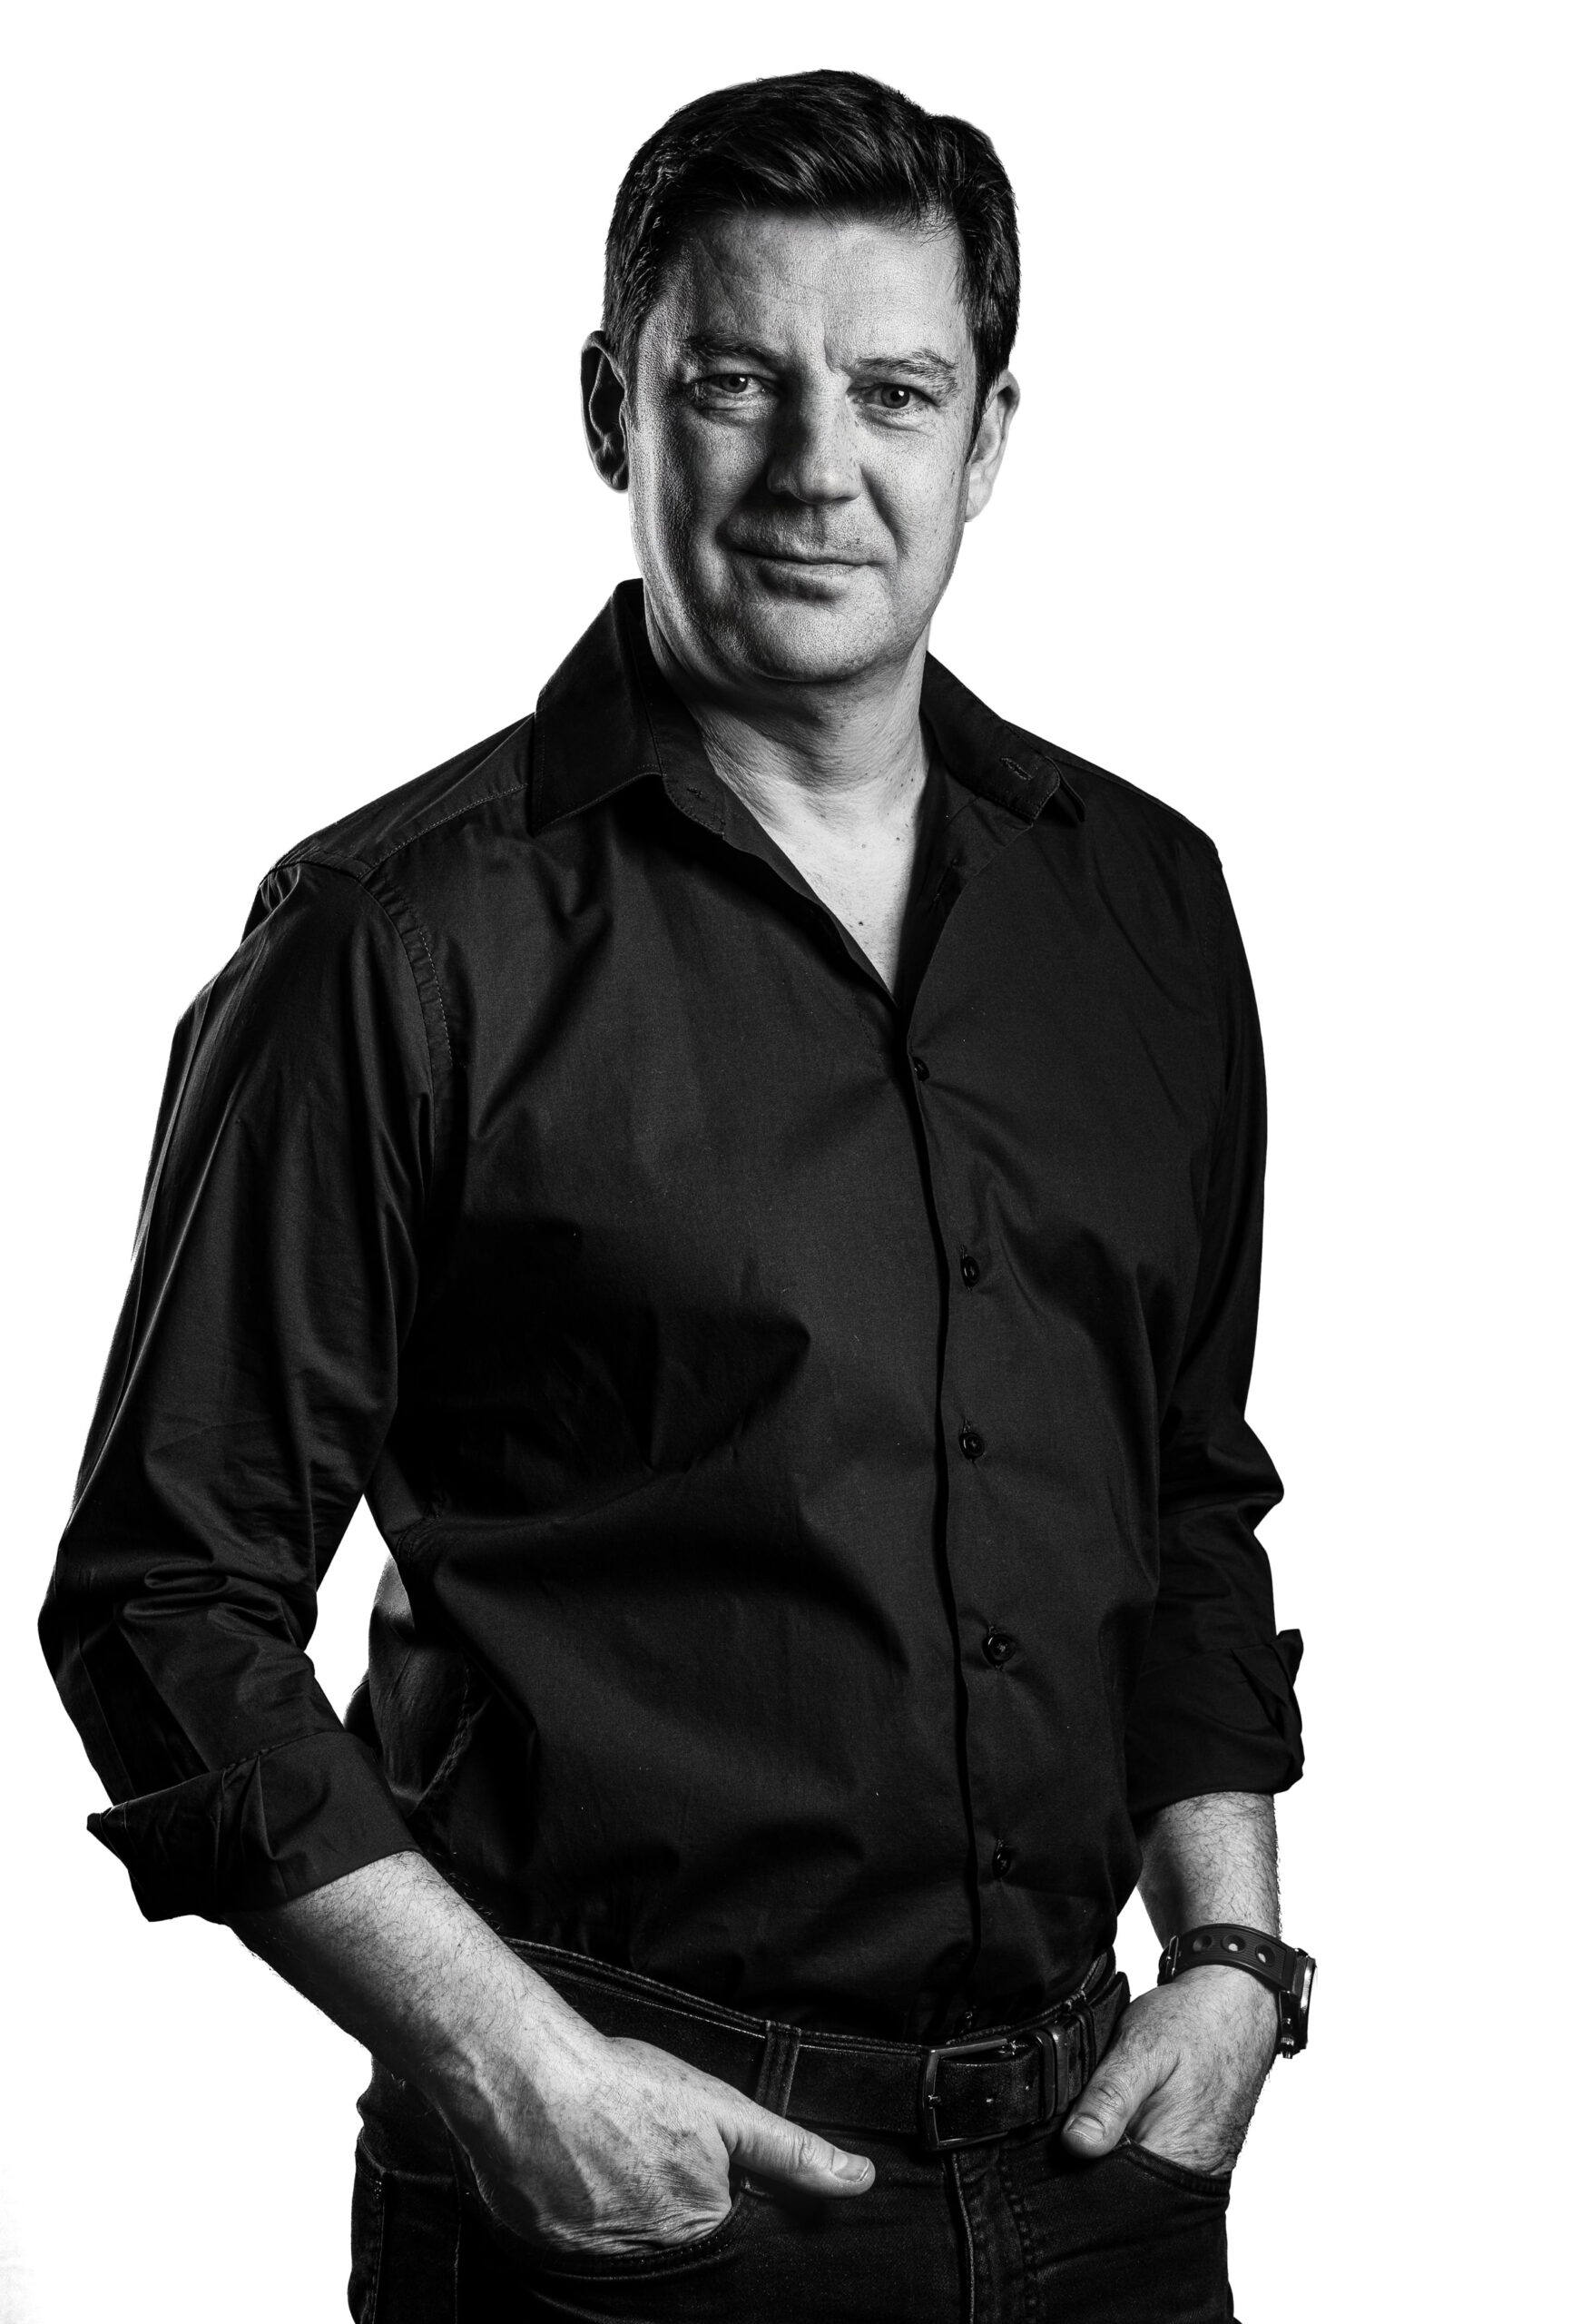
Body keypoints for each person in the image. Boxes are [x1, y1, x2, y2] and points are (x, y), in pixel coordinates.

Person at [41, 67, 1311, 2324]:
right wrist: (501, 2059)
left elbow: (1185, 1495)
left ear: (986, 436)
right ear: (610, 408)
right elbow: (164, 1596)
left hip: (1107, 2175)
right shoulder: (397, 943)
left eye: (896, 390)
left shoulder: (1142, 903)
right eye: (736, 381)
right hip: (628, 2202)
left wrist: (1232, 1950)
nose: (821, 464)